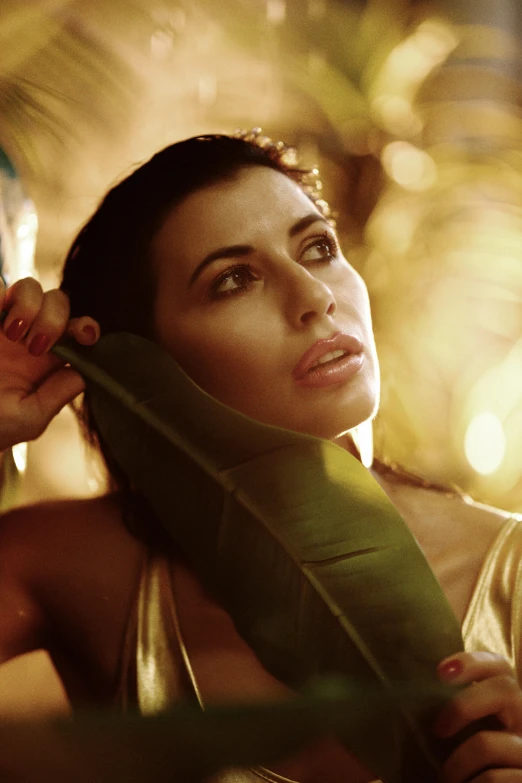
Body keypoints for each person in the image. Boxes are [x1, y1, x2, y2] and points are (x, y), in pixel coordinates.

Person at [1, 130, 522, 783]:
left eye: (319, 248)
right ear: (147, 365)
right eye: (234, 279)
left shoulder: (511, 577)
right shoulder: (69, 567)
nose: (314, 297)